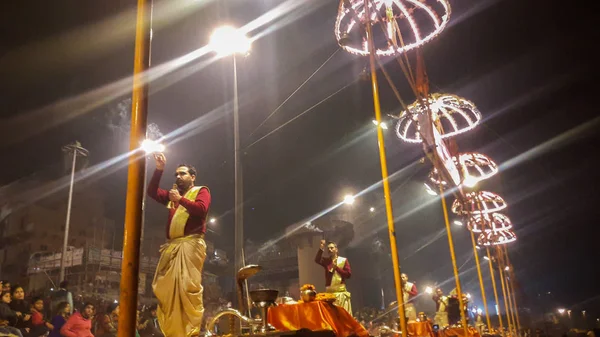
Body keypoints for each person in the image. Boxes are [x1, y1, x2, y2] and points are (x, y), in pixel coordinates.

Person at [148, 153, 211, 337]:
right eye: (175, 174)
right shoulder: (172, 196)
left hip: (191, 246)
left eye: (182, 173)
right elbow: (152, 192)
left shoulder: (201, 191)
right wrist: (159, 169)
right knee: (168, 292)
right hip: (173, 248)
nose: (178, 177)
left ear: (193, 177)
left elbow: (201, 210)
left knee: (187, 288)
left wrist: (180, 200)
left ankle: (190, 333)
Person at [314, 240, 352, 315]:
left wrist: (337, 268)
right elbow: (317, 260)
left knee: (343, 315)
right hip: (330, 293)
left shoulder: (343, 260)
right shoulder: (327, 261)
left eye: (332, 248)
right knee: (331, 316)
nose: (330, 250)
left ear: (336, 249)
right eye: (328, 249)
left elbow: (348, 275)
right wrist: (321, 247)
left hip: (341, 293)